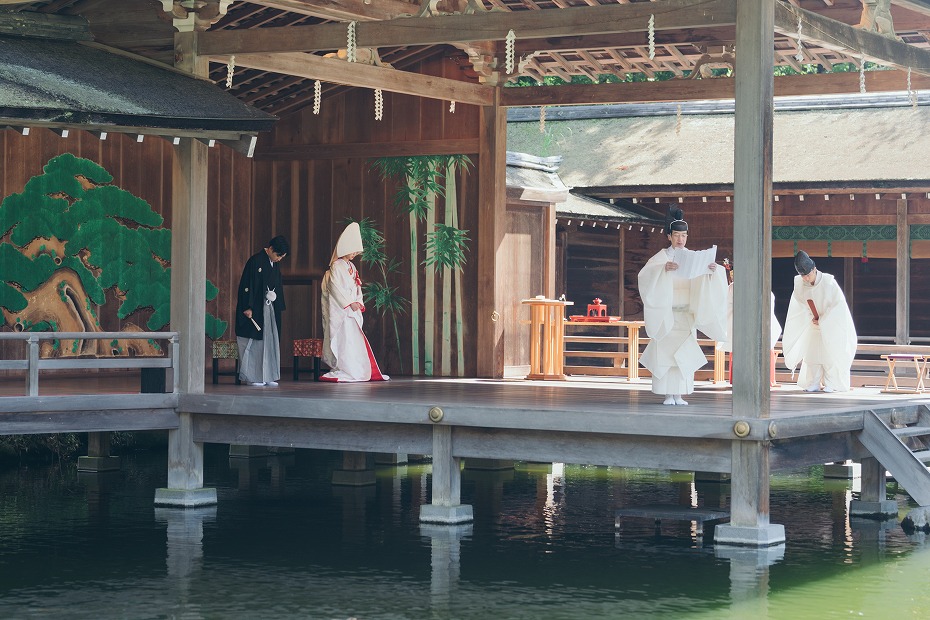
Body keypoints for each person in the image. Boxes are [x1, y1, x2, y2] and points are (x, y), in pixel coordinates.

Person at [638, 207, 727, 405]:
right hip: (668, 314)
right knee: (666, 354)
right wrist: (663, 270)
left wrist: (712, 271)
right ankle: (668, 394)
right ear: (669, 236)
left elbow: (706, 279)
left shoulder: (692, 257)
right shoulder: (661, 258)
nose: (680, 239)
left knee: (683, 355)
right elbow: (645, 276)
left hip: (686, 314)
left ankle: (679, 394)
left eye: (684, 235)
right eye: (677, 235)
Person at [320, 222, 389, 383]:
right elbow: (335, 288)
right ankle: (346, 368)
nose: (355, 255)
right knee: (344, 339)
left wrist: (358, 301)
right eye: (353, 251)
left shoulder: (351, 266)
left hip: (351, 310)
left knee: (353, 339)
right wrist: (349, 303)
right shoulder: (336, 266)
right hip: (342, 310)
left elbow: (357, 287)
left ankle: (356, 368)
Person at [782, 251, 858, 393]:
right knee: (812, 355)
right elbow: (797, 307)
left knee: (830, 355)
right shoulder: (799, 284)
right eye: (803, 276)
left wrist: (823, 320)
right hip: (812, 325)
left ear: (814, 269)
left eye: (808, 275)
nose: (805, 279)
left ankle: (832, 383)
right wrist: (807, 317)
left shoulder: (829, 283)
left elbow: (838, 306)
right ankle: (813, 382)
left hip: (830, 325)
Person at [235, 235, 289, 387]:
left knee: (270, 340)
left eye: (281, 257)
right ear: (270, 249)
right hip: (256, 307)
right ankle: (253, 377)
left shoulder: (274, 264)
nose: (279, 259)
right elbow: (247, 285)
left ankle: (268, 374)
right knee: (255, 342)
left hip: (269, 307)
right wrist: (247, 306)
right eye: (278, 255)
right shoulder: (255, 261)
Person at [720, 261, 782, 386]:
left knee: (762, 344)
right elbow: (727, 305)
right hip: (740, 323)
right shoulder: (733, 287)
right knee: (740, 347)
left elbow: (768, 301)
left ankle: (763, 378)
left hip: (757, 322)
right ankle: (741, 379)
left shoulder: (760, 284)